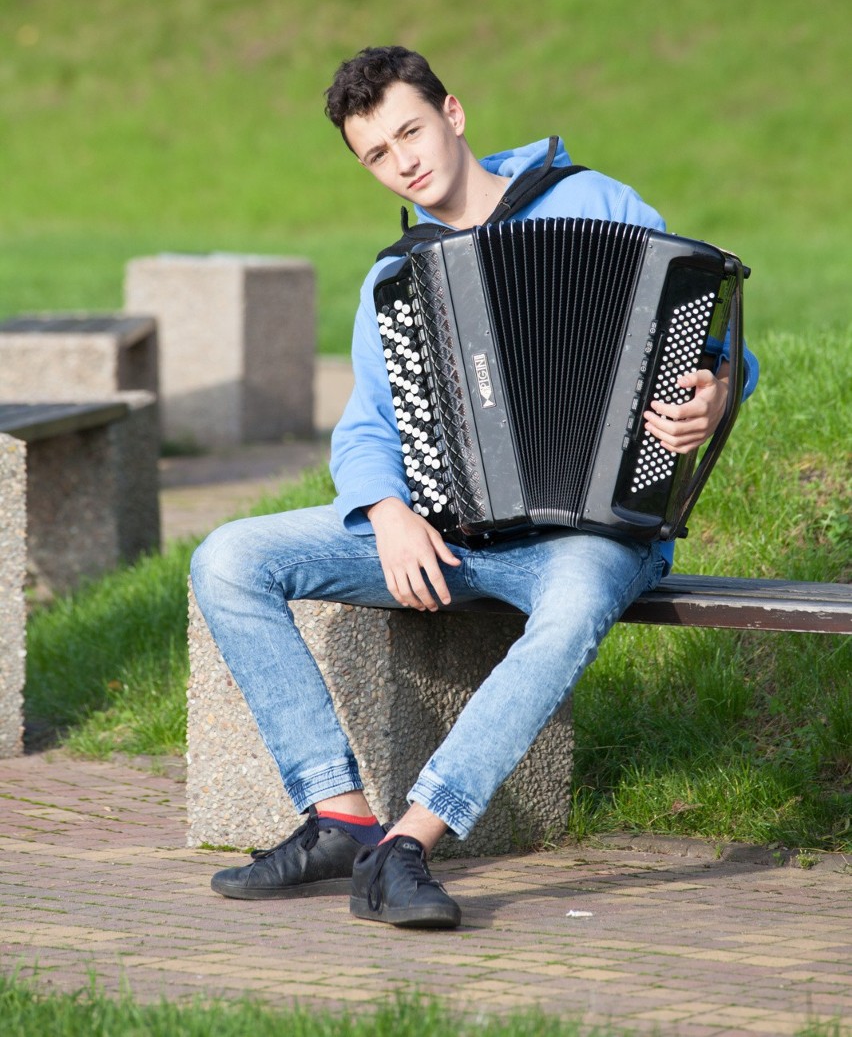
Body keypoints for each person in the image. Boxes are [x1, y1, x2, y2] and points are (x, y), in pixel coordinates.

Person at [191, 46, 758, 931]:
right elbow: (368, 428)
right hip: (450, 538)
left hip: (593, 531)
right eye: (378, 154)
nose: (404, 161)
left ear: (453, 113)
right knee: (228, 558)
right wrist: (387, 512)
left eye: (411, 131)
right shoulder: (397, 277)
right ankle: (338, 816)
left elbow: (715, 343)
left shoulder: (596, 204)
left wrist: (715, 390)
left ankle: (407, 842)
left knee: (572, 601)